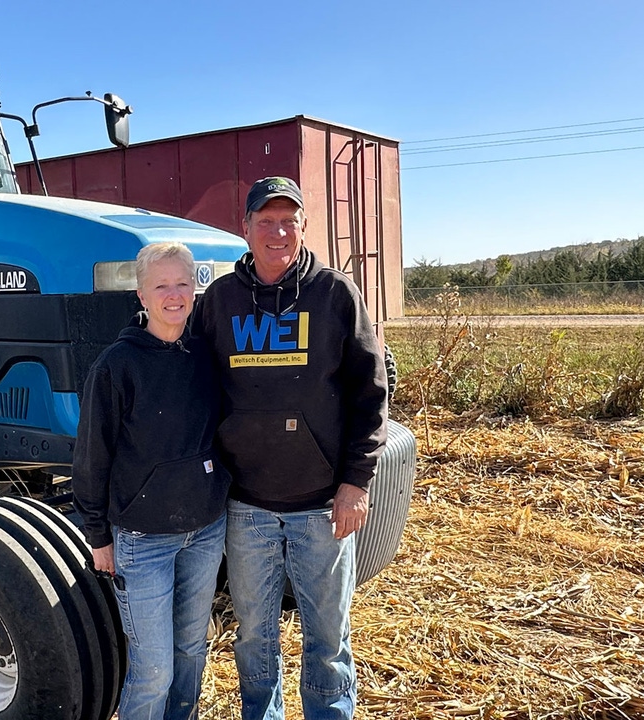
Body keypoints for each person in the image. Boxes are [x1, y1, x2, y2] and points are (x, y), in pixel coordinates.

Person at [194, 177, 388, 720]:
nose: (277, 232)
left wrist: (356, 482)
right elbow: (196, 387)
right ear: (246, 229)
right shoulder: (221, 301)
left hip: (321, 506)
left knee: (328, 638)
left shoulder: (334, 294)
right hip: (247, 506)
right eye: (266, 221)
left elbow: (370, 392)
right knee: (254, 639)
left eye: (288, 221)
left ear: (303, 227)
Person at [73, 241, 232, 720]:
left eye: (182, 283)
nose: (174, 295)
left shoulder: (205, 355)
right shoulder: (117, 365)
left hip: (205, 531)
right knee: (154, 669)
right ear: (141, 295)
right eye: (161, 286)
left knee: (192, 651)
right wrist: (98, 535)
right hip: (143, 541)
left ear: (195, 289)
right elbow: (92, 456)